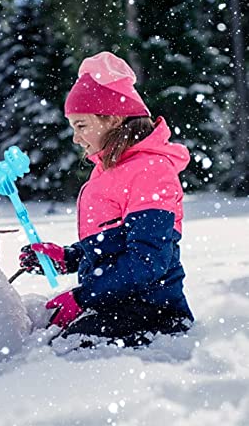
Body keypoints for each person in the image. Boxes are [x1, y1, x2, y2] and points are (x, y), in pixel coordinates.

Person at [20, 51, 194, 347]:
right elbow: (113, 243)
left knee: (65, 346)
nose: (75, 138)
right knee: (42, 331)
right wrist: (68, 257)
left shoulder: (150, 171)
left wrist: (83, 296)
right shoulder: (109, 171)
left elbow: (148, 261)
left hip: (155, 313)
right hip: (115, 304)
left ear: (112, 119)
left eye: (81, 125)